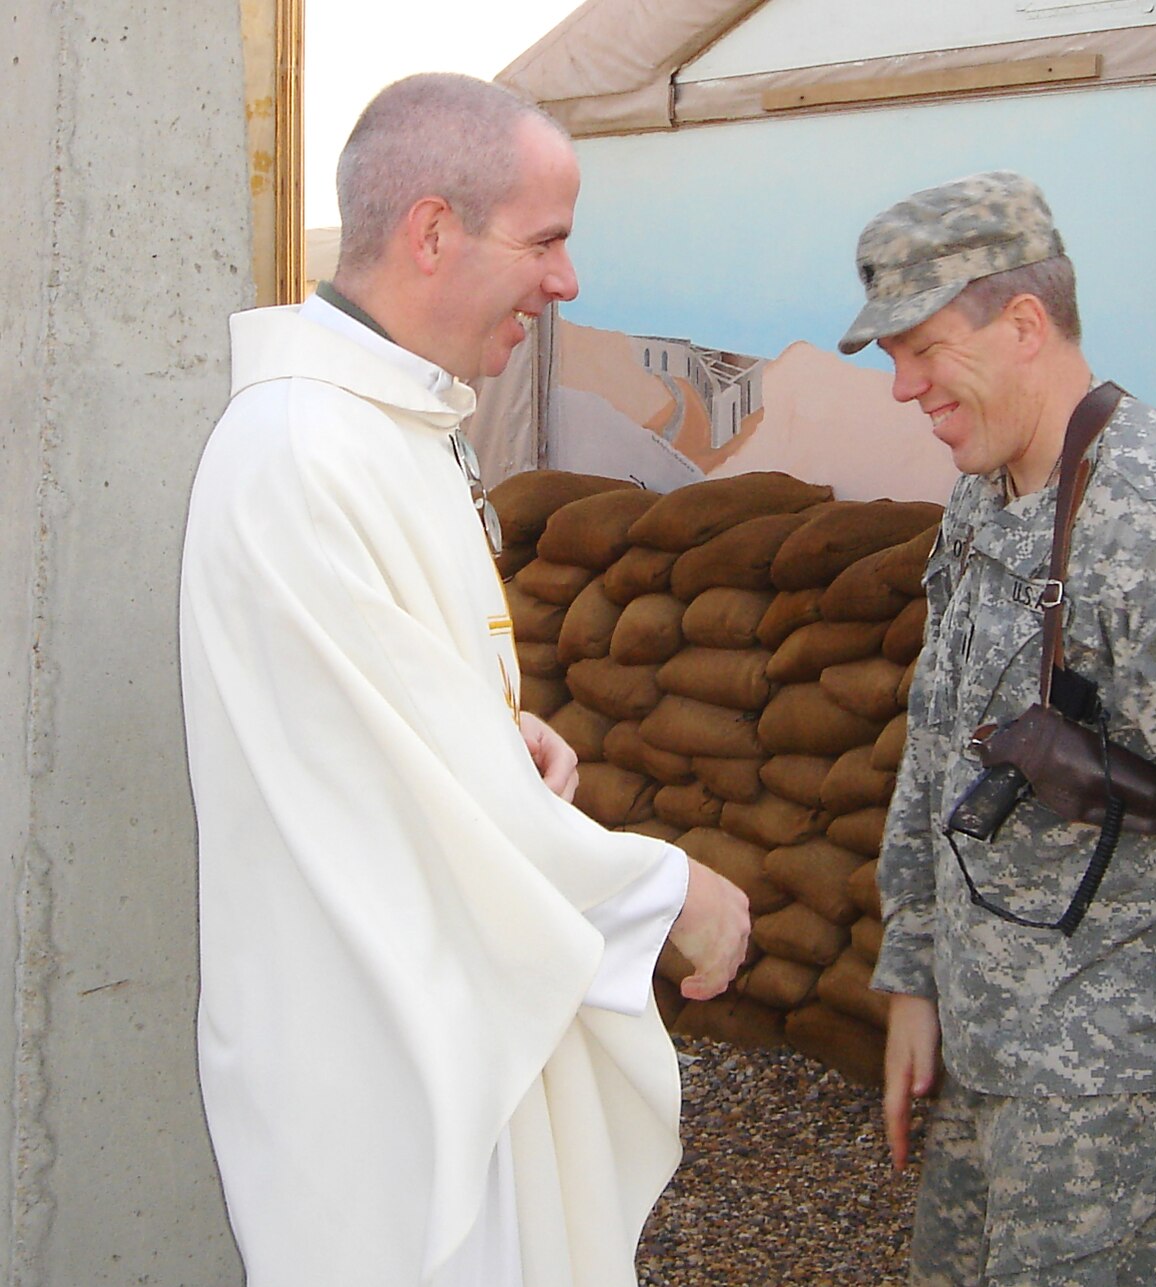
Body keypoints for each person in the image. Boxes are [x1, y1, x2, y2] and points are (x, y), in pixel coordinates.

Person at [179, 73, 750, 1287]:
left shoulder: (392, 424)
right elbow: (404, 795)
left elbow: (377, 713)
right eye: (545, 241)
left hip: (445, 1022)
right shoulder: (300, 452)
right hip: (381, 1069)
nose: (568, 283)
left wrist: (503, 730)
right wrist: (663, 889)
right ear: (433, 232)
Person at [839, 171, 1156, 1286]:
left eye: (922, 348)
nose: (903, 388)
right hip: (992, 1039)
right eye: (892, 357)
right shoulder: (989, 491)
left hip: (1110, 1073)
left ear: (1023, 324)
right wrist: (914, 973)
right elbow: (939, 747)